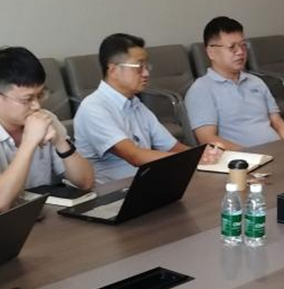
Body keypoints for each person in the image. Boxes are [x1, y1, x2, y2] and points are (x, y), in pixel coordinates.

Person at [0, 46, 94, 220]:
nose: (37, 106)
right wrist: (29, 142)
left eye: (40, 95)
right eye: (27, 99)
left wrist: (60, 142)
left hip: (37, 222)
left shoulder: (45, 118)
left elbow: (85, 182)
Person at [75, 33, 214, 182]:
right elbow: (134, 156)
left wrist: (203, 155)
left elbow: (172, 147)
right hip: (111, 191)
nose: (146, 73)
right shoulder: (93, 108)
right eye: (139, 67)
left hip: (144, 182)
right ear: (114, 71)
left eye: (146, 66)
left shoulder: (135, 104)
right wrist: (191, 160)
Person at [185, 16, 284, 149]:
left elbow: (278, 123)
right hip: (243, 159)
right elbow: (208, 139)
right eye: (232, 47)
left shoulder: (256, 82)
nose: (240, 52)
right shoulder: (201, 90)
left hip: (278, 152)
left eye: (243, 45)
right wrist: (251, 156)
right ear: (211, 52)